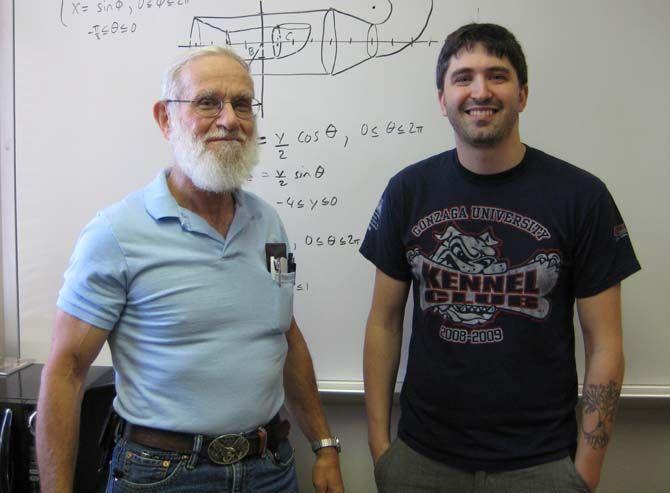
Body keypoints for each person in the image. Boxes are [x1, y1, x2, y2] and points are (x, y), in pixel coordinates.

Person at [36, 46, 344, 493]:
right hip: (162, 475)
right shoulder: (116, 234)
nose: (229, 119)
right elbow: (65, 371)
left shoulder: (269, 223)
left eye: (242, 104)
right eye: (208, 102)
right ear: (165, 118)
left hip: (270, 469)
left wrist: (324, 444)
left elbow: (285, 334)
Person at [360, 23, 640, 492]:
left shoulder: (582, 196)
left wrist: (584, 473)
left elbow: (605, 344)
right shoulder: (407, 191)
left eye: (497, 75)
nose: (480, 91)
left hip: (541, 465)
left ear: (523, 94)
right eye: (463, 77)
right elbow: (383, 323)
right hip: (420, 461)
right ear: (442, 98)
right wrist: (380, 451)